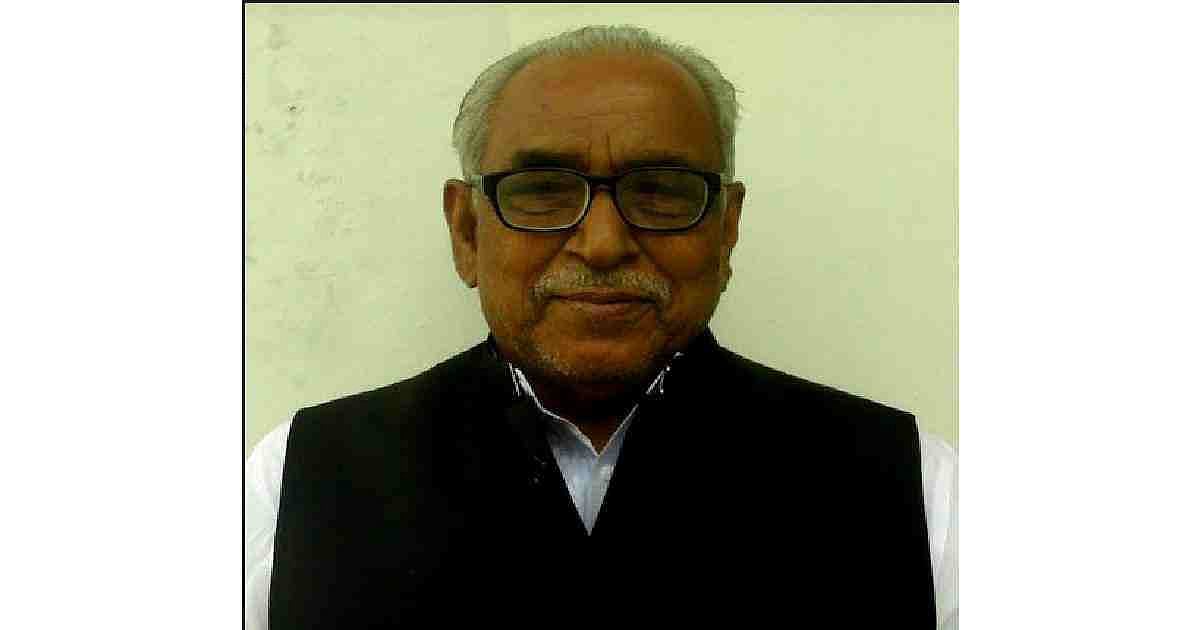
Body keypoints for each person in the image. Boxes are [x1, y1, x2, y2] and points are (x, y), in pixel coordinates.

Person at [246, 25, 958, 628]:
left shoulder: (912, 486)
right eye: (544, 190)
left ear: (727, 229)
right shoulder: (298, 484)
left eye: (660, 191)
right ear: (466, 231)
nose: (603, 243)